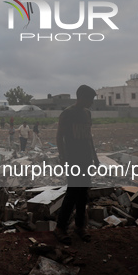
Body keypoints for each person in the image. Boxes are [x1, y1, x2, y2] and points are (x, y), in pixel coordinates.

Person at [54, 85, 100, 245]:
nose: (92, 103)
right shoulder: (67, 114)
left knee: (83, 195)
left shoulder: (87, 114)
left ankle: (80, 227)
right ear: (81, 97)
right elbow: (59, 137)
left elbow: (89, 137)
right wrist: (62, 157)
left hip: (86, 159)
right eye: (90, 99)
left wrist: (95, 158)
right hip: (73, 159)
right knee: (72, 193)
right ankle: (60, 228)